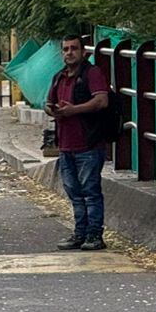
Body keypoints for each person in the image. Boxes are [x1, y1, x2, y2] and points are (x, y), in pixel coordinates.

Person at [44, 33, 111, 251]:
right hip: (66, 145)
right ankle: (80, 233)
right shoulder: (59, 77)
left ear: (83, 52)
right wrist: (55, 110)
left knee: (90, 191)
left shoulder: (92, 74)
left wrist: (74, 110)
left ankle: (95, 234)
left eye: (73, 48)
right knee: (74, 192)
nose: (69, 53)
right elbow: (48, 103)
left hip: (88, 144)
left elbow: (101, 101)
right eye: (65, 49)